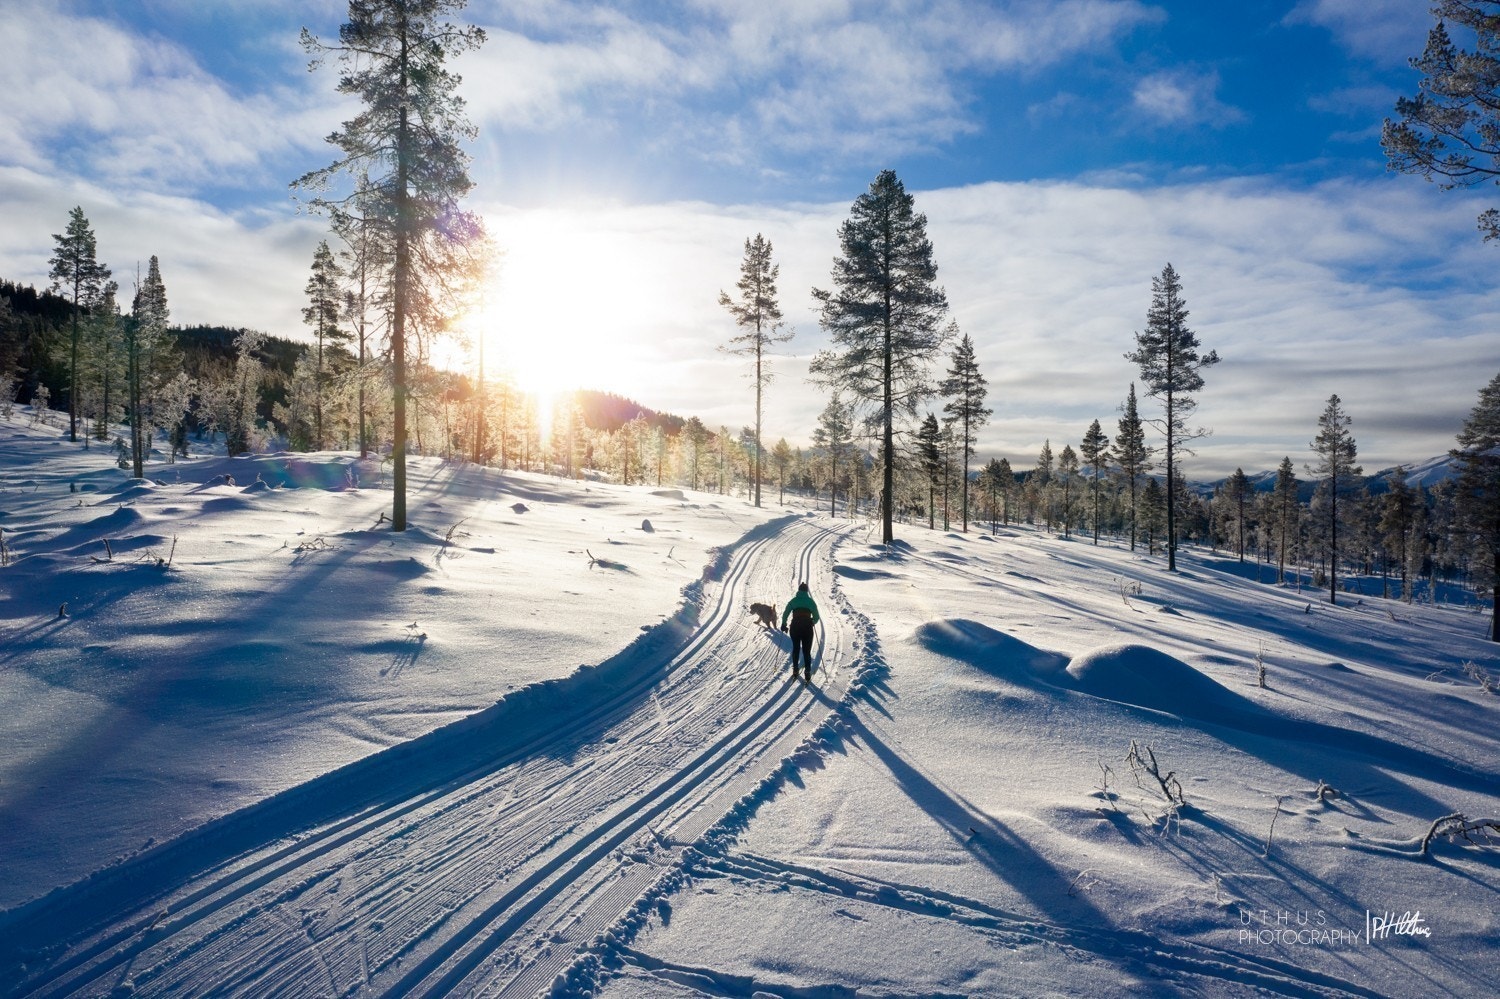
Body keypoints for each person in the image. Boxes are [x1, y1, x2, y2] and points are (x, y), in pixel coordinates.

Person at [779, 581, 820, 683]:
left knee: (796, 649)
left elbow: (785, 613)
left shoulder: (793, 601)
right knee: (806, 651)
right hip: (807, 628)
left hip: (795, 627)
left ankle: (795, 670)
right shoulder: (811, 602)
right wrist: (812, 622)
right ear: (806, 591)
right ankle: (807, 672)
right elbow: (816, 617)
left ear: (799, 590)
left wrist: (784, 624)